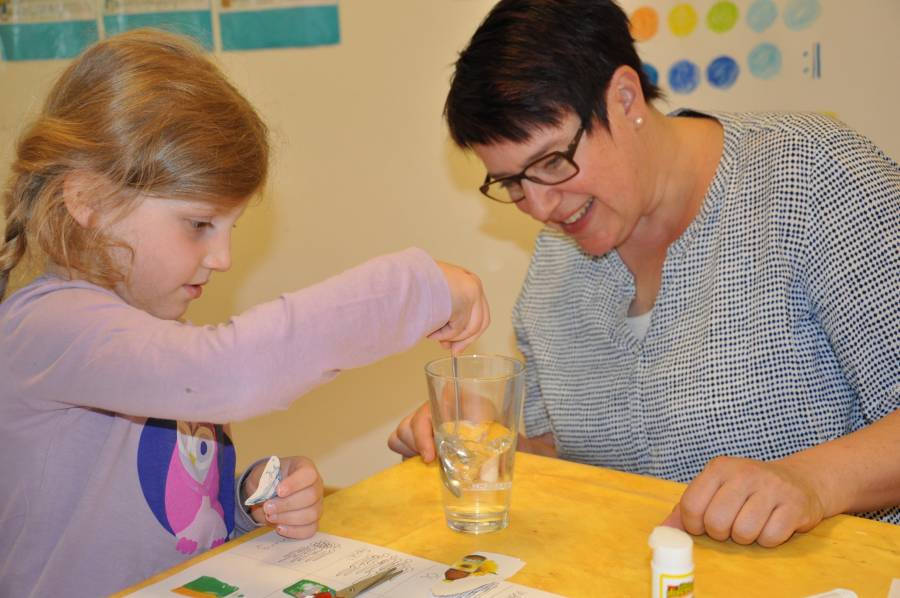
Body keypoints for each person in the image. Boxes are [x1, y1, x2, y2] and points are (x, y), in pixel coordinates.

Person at [389, 0, 899, 547]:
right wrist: (481, 438)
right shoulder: (557, 263)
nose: (538, 206)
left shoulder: (809, 179)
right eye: (512, 182)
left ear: (625, 97)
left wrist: (812, 481)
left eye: (552, 163)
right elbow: (579, 454)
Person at [0, 29, 490, 597]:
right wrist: (416, 287)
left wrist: (245, 501)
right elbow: (229, 373)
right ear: (86, 200)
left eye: (230, 229)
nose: (224, 257)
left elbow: (149, 522)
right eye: (199, 224)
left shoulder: (154, 332)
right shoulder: (48, 327)